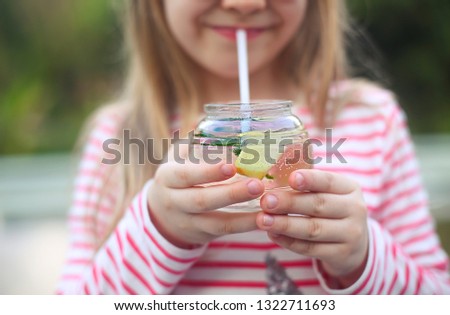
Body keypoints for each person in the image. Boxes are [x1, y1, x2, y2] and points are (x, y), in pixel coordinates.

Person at [57, 0, 450, 294]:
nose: (244, 4)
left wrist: (362, 259)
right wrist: (156, 228)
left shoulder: (372, 120)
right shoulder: (119, 137)